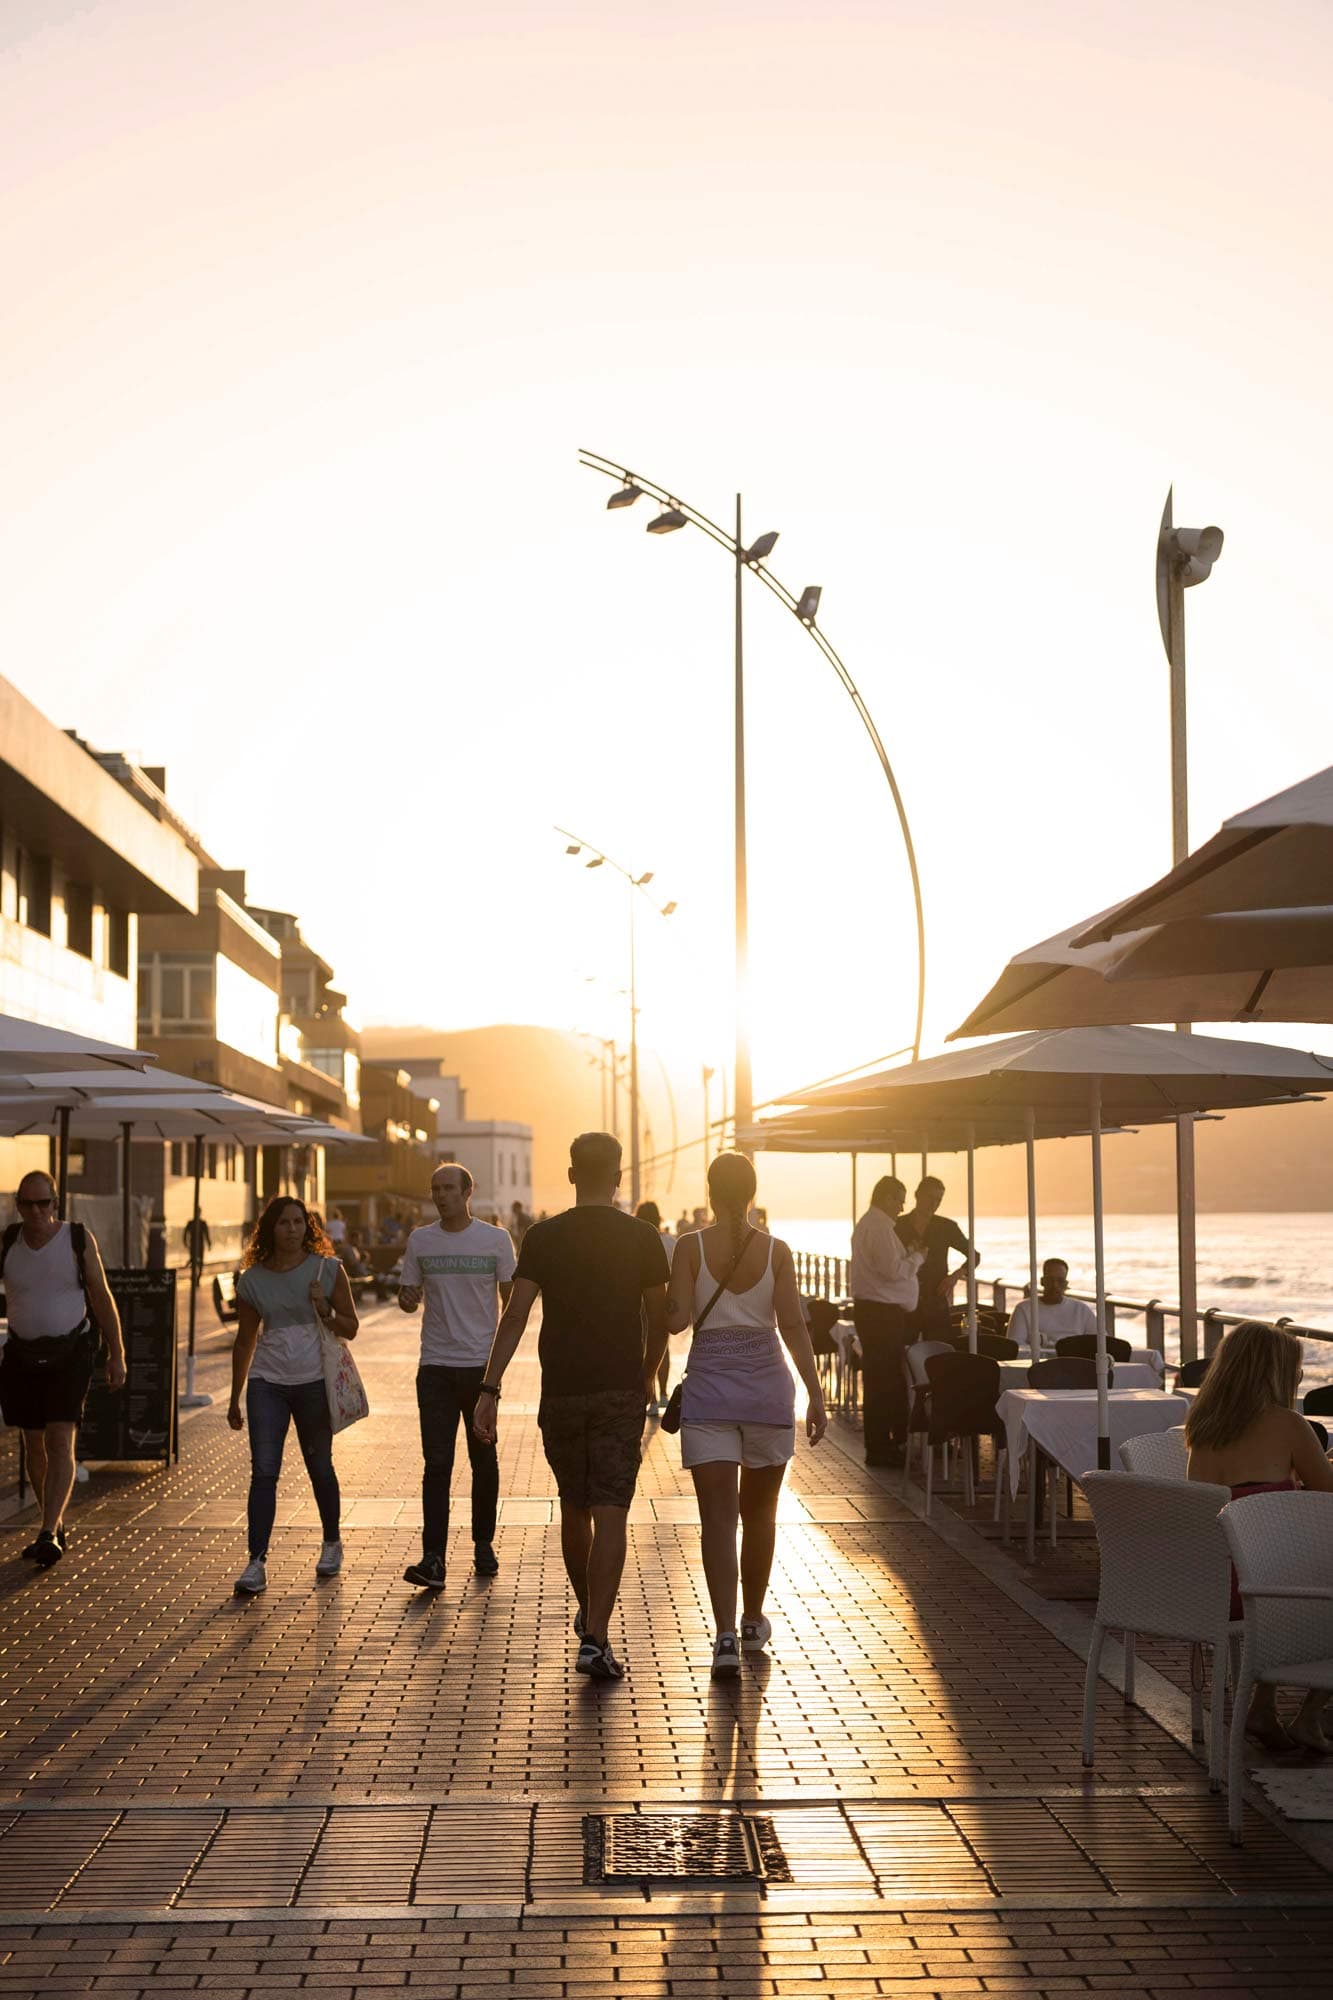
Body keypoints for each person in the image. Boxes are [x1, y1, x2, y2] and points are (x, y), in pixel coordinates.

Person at [473, 1132, 669, 1682]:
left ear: (571, 1174)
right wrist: (646, 1376)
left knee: (574, 1507)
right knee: (612, 1514)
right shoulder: (642, 1237)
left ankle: (590, 1620)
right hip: (618, 1392)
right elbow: (658, 1319)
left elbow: (515, 1316)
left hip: (560, 1391)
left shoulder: (543, 1236)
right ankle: (597, 1636)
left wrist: (489, 1389)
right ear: (619, 1177)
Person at [666, 1154, 827, 1677]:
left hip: (710, 1394)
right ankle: (754, 1617)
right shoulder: (777, 1251)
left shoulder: (689, 1247)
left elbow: (676, 1323)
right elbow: (795, 1327)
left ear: (710, 1192)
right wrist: (816, 1394)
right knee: (760, 1516)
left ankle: (726, 1636)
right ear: (753, 1193)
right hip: (767, 1395)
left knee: (717, 1521)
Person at [1186, 1320, 1333, 1753]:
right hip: (1255, 1585)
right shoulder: (1287, 1424)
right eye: (1295, 1368)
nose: (1301, 1377)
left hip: (1213, 1578)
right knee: (1316, 1588)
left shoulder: (1203, 1426)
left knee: (1292, 1572)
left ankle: (1263, 1710)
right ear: (1275, 1372)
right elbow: (1327, 1493)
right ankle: (1310, 1715)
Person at [228, 1197, 359, 1597]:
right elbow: (246, 1339)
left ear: (309, 1226)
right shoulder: (252, 1279)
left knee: (320, 1465)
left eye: (299, 1222)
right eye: (283, 1222)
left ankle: (332, 1543)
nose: (292, 1229)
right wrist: (234, 1397)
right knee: (264, 1470)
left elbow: (350, 1327)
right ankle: (256, 1561)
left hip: (314, 1380)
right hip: (267, 1381)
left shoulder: (328, 1270)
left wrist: (324, 1310)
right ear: (270, 1229)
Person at [398, 1162, 516, 1592]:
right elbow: (408, 1298)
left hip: (480, 1370)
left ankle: (483, 1544)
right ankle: (434, 1558)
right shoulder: (420, 1241)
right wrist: (407, 1298)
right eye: (435, 1188)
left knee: (483, 1460)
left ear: (468, 1191)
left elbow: (513, 1305)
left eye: (449, 1187)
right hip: (434, 1368)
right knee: (437, 1464)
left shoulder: (496, 1240)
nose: (440, 1194)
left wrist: (497, 1371)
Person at [0, 1170, 126, 1567]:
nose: (37, 1211)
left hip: (70, 1353)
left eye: (45, 1203)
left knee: (59, 1440)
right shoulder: (7, 1243)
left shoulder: (77, 1238)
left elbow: (102, 1297)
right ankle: (49, 1520)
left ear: (56, 1204)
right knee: (33, 1444)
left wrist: (117, 1352)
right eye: (29, 1204)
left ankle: (49, 1531)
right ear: (18, 1206)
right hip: (21, 1356)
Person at [850, 1177, 925, 1468]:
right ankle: (880, 1448)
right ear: (885, 1198)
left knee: (884, 1380)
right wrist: (917, 1257)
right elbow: (892, 1270)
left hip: (880, 1313)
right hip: (880, 1315)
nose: (902, 1206)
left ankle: (886, 1444)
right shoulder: (879, 1227)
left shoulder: (874, 1225)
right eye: (899, 1199)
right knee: (883, 1381)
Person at [896, 1175, 977, 1336]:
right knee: (902, 1352)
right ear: (918, 1195)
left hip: (936, 1301)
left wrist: (955, 1276)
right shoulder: (898, 1225)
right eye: (930, 1198)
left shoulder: (946, 1227)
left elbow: (974, 1256)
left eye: (938, 1200)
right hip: (903, 1300)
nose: (934, 1204)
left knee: (939, 1353)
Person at [635, 1200, 675, 1414]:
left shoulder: (633, 1240)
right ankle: (663, 1394)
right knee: (662, 1344)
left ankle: (646, 1394)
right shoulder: (669, 1242)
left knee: (641, 1342)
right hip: (665, 1299)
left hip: (637, 1300)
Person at [1007, 1258, 1096, 1348]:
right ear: (1042, 1281)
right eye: (1050, 1280)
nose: (1055, 1286)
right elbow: (1016, 1347)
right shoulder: (1024, 1309)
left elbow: (1100, 1343)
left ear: (1066, 1284)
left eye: (1060, 1281)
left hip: (1074, 1360)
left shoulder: (1081, 1310)